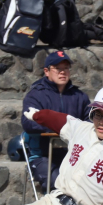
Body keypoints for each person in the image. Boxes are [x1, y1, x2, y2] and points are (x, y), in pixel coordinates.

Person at [21, 51, 90, 193]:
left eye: (66, 68)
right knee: (57, 183)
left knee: (90, 181)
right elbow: (28, 123)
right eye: (58, 69)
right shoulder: (36, 95)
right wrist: (58, 128)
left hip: (74, 155)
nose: (63, 72)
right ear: (46, 71)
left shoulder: (80, 96)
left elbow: (89, 122)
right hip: (43, 155)